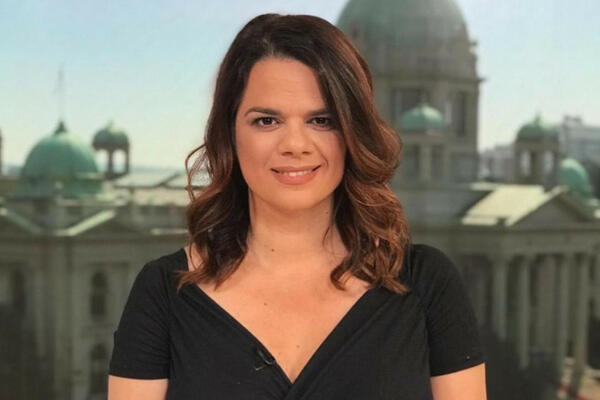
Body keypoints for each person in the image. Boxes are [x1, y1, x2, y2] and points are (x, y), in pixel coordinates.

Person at [107, 13, 486, 400]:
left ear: (353, 131)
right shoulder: (163, 293)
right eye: (266, 121)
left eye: (321, 120)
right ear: (230, 133)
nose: (295, 145)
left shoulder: (427, 284)